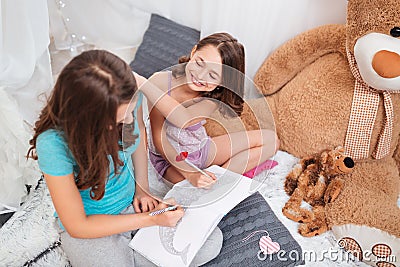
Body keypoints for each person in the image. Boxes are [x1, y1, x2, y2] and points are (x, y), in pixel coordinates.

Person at [27, 50, 222, 267]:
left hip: (134, 202)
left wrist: (143, 190)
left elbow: (139, 133)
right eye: (120, 119)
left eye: (130, 112)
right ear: (89, 120)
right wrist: (151, 220)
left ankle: (140, 251)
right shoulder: (54, 144)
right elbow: (77, 225)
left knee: (210, 242)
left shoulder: (127, 97)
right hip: (93, 226)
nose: (129, 120)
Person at [137, 32, 279, 188]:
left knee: (271, 140)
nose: (201, 76)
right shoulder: (161, 82)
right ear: (193, 52)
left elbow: (184, 119)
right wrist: (190, 173)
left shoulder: (210, 98)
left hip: (200, 150)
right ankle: (210, 182)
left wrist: (142, 83)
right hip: (170, 159)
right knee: (190, 191)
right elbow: (159, 139)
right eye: (199, 63)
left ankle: (219, 178)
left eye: (213, 75)